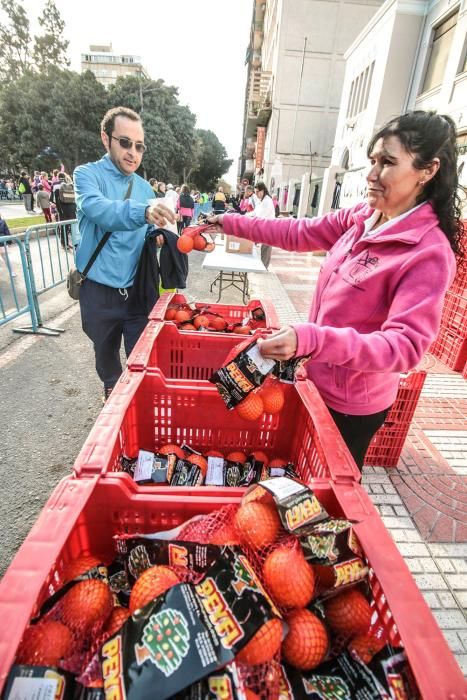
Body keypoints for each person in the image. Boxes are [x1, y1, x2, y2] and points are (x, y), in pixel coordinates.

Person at [208, 111, 463, 470]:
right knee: (299, 478)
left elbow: (403, 348)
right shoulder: (363, 216)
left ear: (428, 170)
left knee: (329, 493)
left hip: (351, 406)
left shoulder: (428, 252)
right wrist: (231, 222)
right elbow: (298, 233)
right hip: (314, 378)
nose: (372, 174)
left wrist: (312, 339)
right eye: (373, 161)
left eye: (388, 163)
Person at [74, 106, 175, 401]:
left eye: (139, 146)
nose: (133, 152)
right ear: (106, 139)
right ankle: (111, 393)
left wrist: (155, 236)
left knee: (140, 358)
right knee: (107, 360)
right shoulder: (87, 175)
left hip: (136, 292)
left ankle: (134, 408)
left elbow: (144, 229)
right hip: (98, 291)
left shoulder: (144, 188)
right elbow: (101, 211)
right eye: (125, 142)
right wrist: (144, 212)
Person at [249, 182, 276, 268]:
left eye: (257, 192)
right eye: (255, 192)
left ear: (262, 191)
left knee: (265, 251)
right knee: (262, 250)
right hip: (264, 229)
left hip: (269, 230)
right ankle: (263, 267)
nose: (256, 194)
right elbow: (255, 212)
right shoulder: (261, 200)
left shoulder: (267, 201)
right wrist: (246, 215)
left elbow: (260, 216)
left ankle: (264, 269)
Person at [54, 172, 76, 249]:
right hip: (72, 208)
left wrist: (59, 211)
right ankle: (74, 243)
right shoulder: (71, 185)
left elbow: (54, 199)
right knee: (72, 227)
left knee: (63, 227)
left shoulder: (56, 185)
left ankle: (64, 244)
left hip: (62, 209)